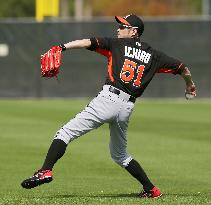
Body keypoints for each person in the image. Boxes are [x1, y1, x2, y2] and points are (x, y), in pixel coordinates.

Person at [21, 14, 196, 198]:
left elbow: (87, 41)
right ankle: (152, 189)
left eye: (123, 26)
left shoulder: (116, 44)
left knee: (65, 133)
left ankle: (45, 170)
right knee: (120, 155)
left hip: (108, 99)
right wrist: (189, 85)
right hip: (126, 107)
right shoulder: (155, 55)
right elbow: (183, 68)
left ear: (134, 31)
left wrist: (62, 47)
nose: (118, 29)